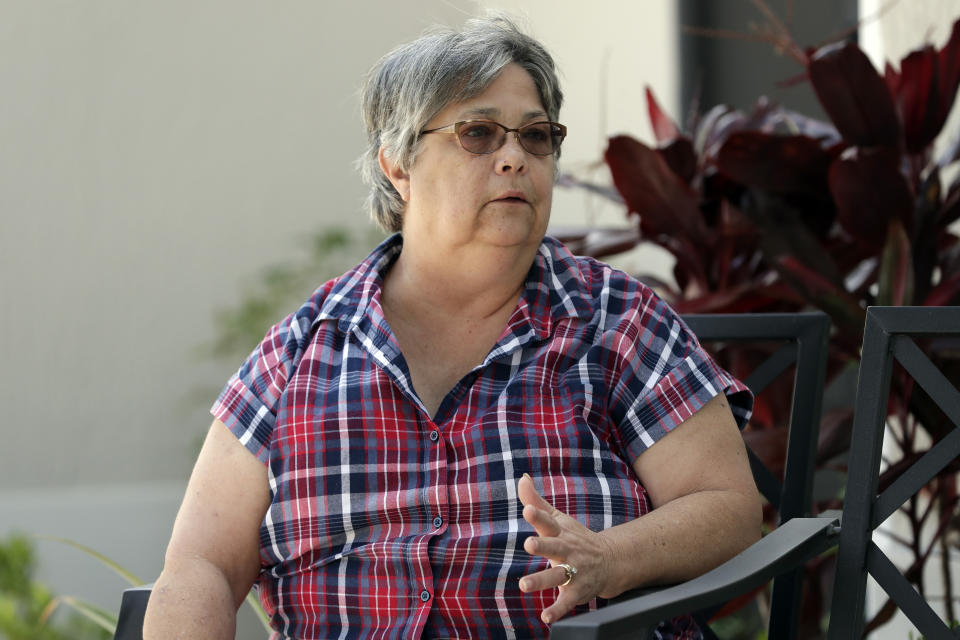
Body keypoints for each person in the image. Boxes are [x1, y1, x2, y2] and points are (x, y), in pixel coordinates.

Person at [143, 14, 761, 640]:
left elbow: (730, 508)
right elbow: (200, 565)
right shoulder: (298, 353)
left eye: (537, 136)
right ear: (398, 166)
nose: (515, 157)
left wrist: (612, 556)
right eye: (479, 134)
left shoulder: (617, 322)